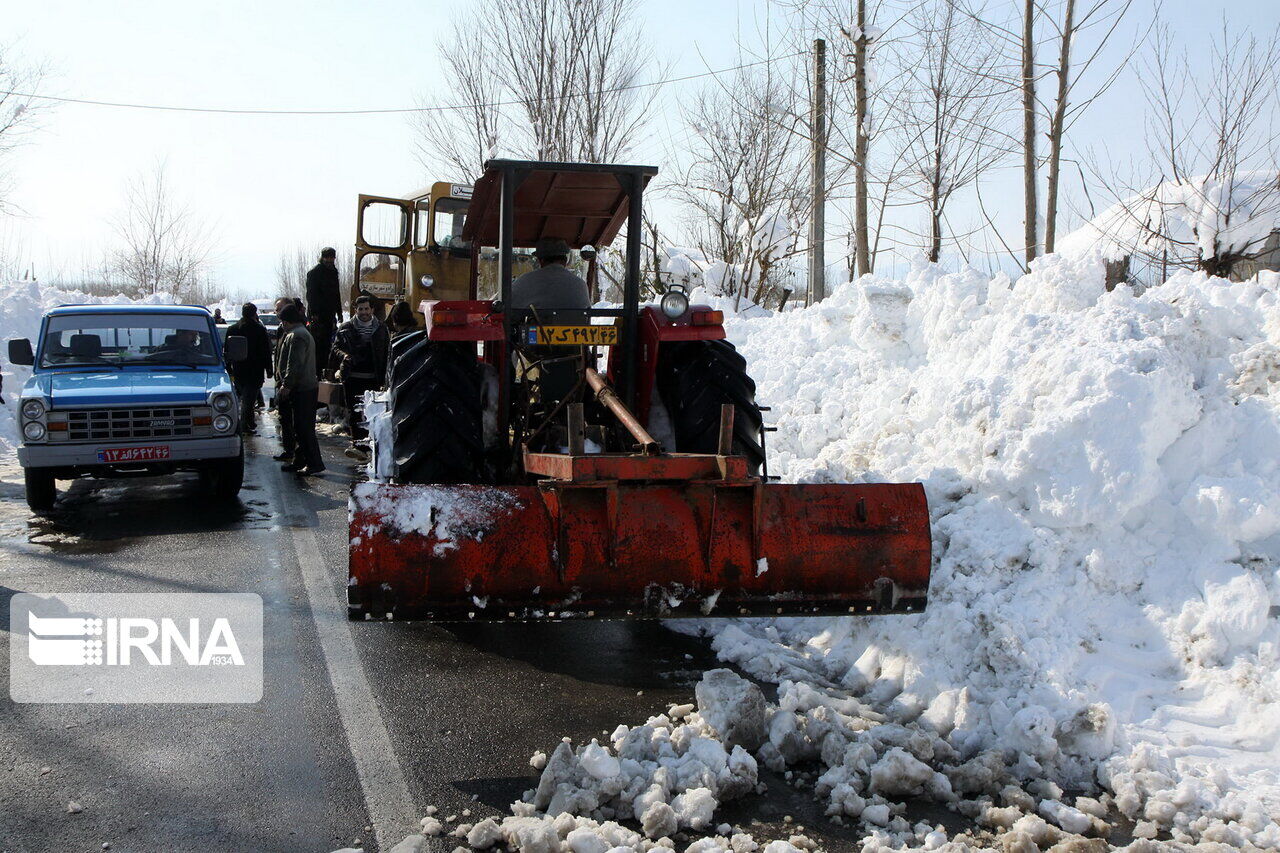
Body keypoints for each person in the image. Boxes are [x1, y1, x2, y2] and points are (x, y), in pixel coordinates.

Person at [328, 295, 389, 457]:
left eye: (366, 309)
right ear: (356, 310)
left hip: (373, 378)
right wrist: (345, 357)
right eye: (360, 309)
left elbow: (386, 353)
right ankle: (358, 446)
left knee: (372, 412)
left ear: (372, 310)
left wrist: (386, 377)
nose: (364, 312)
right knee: (354, 412)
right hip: (352, 376)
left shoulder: (381, 328)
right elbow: (335, 349)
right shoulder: (346, 328)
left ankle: (371, 446)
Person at [274, 304, 325, 475]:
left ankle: (314, 463)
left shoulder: (296, 336)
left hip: (302, 389)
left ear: (286, 321)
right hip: (305, 387)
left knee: (304, 428)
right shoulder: (300, 333)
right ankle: (300, 460)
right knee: (301, 428)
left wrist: (286, 385)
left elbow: (294, 364)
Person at [226, 303, 272, 434]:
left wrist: (229, 368)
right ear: (254, 314)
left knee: (245, 399)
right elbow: (266, 352)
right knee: (249, 401)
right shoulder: (259, 329)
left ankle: (248, 423)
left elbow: (227, 351)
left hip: (238, 370)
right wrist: (269, 369)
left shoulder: (232, 329)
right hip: (255, 371)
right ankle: (244, 426)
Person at [510, 237, 590, 309]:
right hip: (575, 324)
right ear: (565, 261)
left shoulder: (525, 281)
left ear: (541, 261)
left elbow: (509, 307)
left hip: (538, 325)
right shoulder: (581, 284)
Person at [306, 247, 343, 379]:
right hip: (318, 317)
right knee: (318, 347)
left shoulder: (333, 272)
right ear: (323, 258)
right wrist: (314, 314)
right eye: (328, 257)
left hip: (329, 315)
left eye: (332, 257)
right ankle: (316, 373)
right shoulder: (315, 273)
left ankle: (323, 372)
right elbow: (311, 296)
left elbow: (336, 293)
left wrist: (339, 312)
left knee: (327, 346)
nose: (330, 260)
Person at [270, 297, 296, 460]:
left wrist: (287, 382)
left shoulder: (295, 331)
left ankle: (294, 451)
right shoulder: (281, 329)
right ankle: (288, 450)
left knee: (291, 419)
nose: (278, 313)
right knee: (283, 417)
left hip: (291, 383)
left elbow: (293, 361)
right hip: (281, 379)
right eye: (276, 310)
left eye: (281, 309)